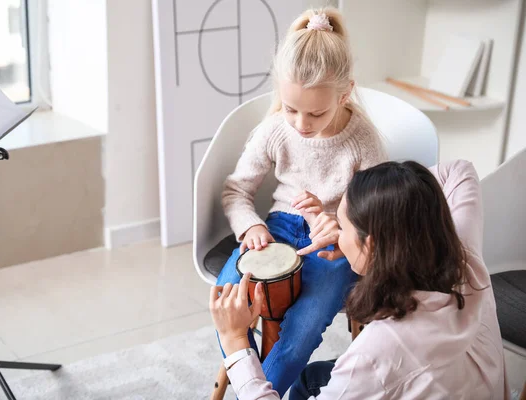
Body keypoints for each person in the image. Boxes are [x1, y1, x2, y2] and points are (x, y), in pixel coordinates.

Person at [210, 160, 509, 399]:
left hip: (406, 368)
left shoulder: (376, 353)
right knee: (311, 378)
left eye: (342, 225)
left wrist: (236, 341)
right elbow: (458, 169)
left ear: (371, 244)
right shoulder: (463, 256)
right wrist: (398, 207)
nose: (336, 234)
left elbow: (380, 362)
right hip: (469, 384)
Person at [216, 7, 387, 396]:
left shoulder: (363, 142)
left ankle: (258, 389)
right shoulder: (276, 129)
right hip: (277, 227)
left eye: (316, 112)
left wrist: (341, 229)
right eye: (291, 108)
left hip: (335, 245)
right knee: (225, 303)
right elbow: (236, 191)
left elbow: (378, 218)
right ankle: (257, 382)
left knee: (302, 329)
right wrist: (252, 226)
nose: (300, 124)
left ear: (345, 93)